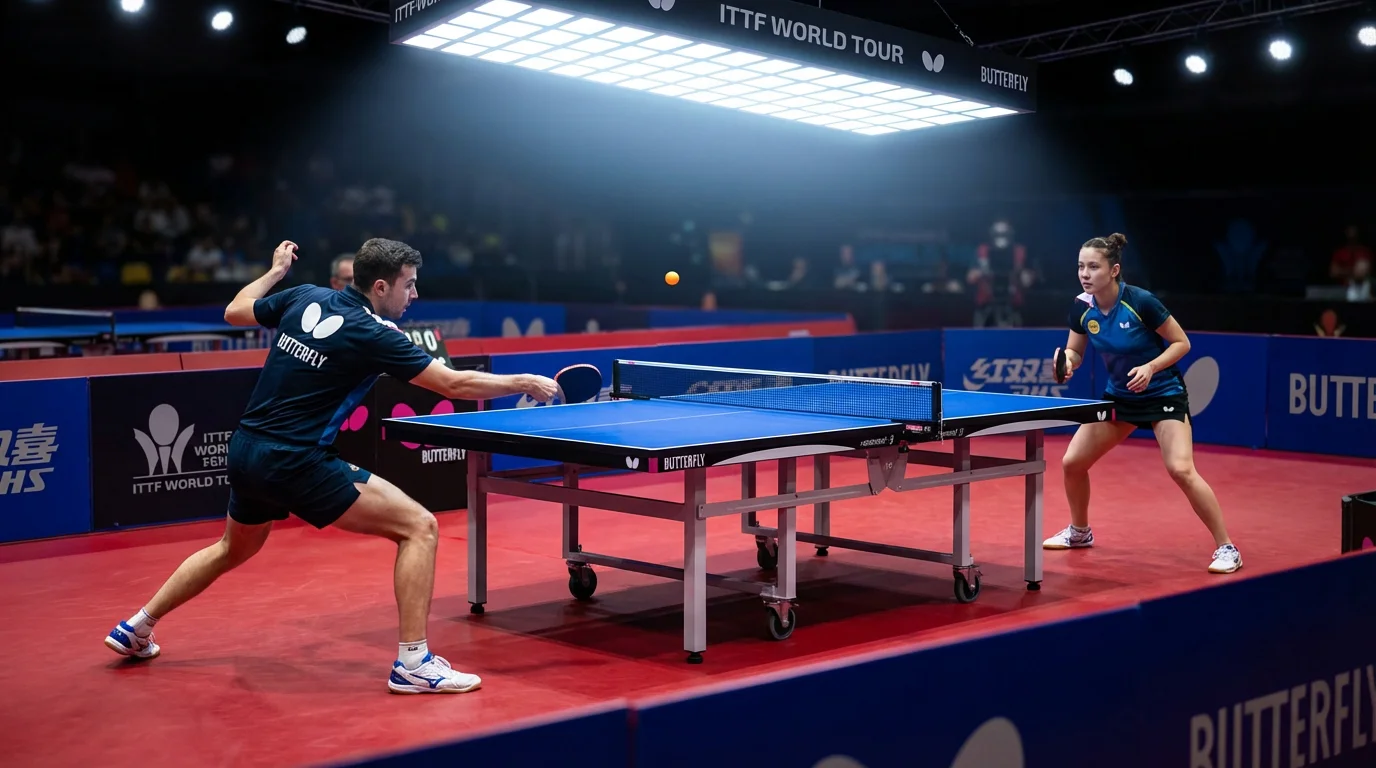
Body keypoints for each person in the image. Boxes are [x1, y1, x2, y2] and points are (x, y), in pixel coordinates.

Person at [104, 237, 562, 694]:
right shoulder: (375, 334)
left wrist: (275, 273)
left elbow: (236, 311)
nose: (415, 296)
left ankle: (137, 626)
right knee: (419, 527)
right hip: (295, 459)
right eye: (409, 285)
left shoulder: (304, 295)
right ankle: (413, 663)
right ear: (380, 287)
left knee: (232, 548)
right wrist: (520, 380)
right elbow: (452, 383)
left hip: (246, 450)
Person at [1044, 233, 1241, 574]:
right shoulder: (1082, 306)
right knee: (1072, 462)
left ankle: (1227, 547)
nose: (1085, 273)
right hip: (1120, 397)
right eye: (1080, 266)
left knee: (1181, 469)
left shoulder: (1141, 301)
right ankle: (1080, 532)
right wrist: (1068, 364)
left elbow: (1182, 343)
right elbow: (1076, 350)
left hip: (1162, 394)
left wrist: (1151, 367)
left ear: (1114, 270)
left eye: (1093, 266)